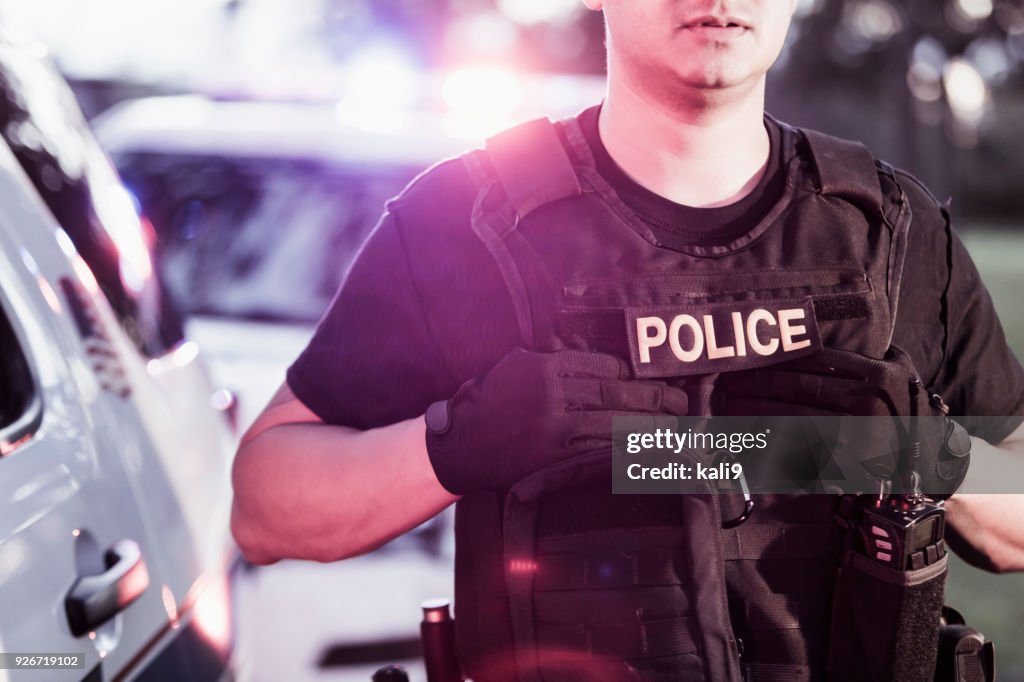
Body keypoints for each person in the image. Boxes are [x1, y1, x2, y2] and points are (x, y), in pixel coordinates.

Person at [231, 1, 1024, 679]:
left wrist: (929, 455)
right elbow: (265, 507)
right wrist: (451, 447)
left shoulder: (893, 232)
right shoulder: (463, 226)